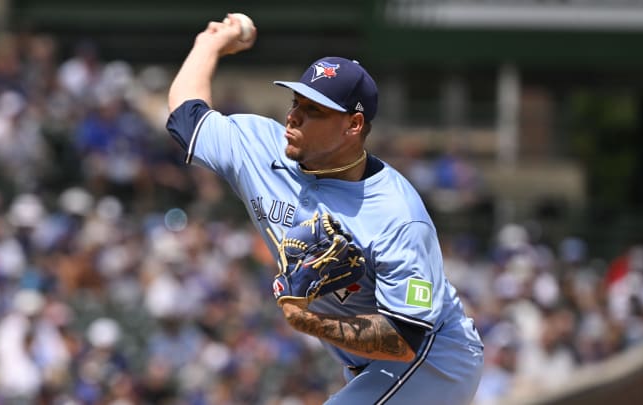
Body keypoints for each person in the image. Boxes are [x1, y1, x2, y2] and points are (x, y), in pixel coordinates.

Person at [166, 15, 484, 404]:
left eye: (314, 110)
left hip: (434, 359)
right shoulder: (260, 146)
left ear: (353, 124)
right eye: (295, 101)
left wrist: (307, 320)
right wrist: (210, 44)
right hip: (369, 367)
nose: (293, 115)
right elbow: (186, 117)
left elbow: (405, 337)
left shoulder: (396, 214)